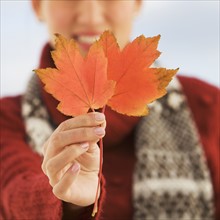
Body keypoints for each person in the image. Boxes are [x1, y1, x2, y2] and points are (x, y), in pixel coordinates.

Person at [0, 1, 219, 220]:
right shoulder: (7, 118)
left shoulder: (207, 106)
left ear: (137, 4)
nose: (91, 17)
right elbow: (13, 191)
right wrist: (66, 199)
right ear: (38, 6)